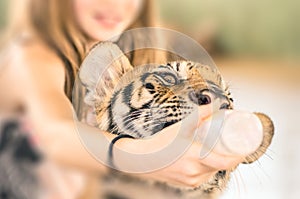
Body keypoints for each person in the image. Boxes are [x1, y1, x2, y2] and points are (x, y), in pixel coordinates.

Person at [0, 0, 262, 198]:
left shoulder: (133, 60)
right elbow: (55, 135)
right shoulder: (31, 56)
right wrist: (146, 157)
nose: (117, 5)